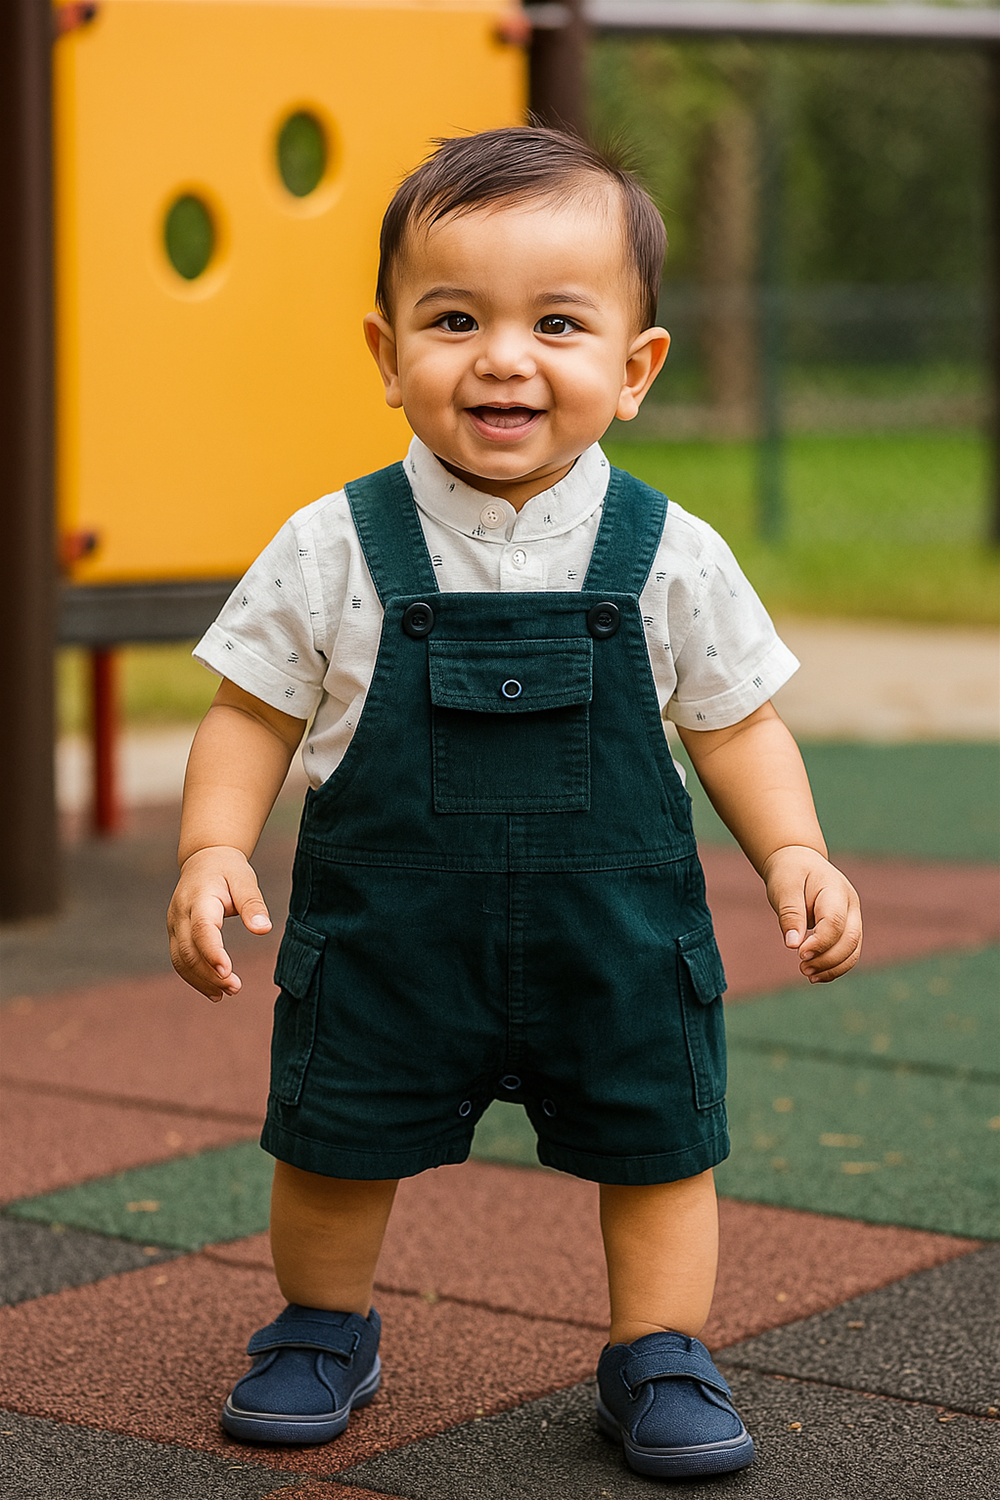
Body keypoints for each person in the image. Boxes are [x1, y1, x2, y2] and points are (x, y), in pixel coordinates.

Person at [167, 126, 861, 1480]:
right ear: (387, 355)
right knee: (334, 1137)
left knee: (657, 1143)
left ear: (634, 368)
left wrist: (796, 848)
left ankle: (659, 1348)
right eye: (454, 320)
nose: (502, 358)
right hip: (390, 936)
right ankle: (322, 1323)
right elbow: (251, 712)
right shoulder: (330, 544)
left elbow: (736, 724)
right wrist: (210, 847)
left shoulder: (672, 553)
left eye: (557, 322)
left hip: (615, 940)